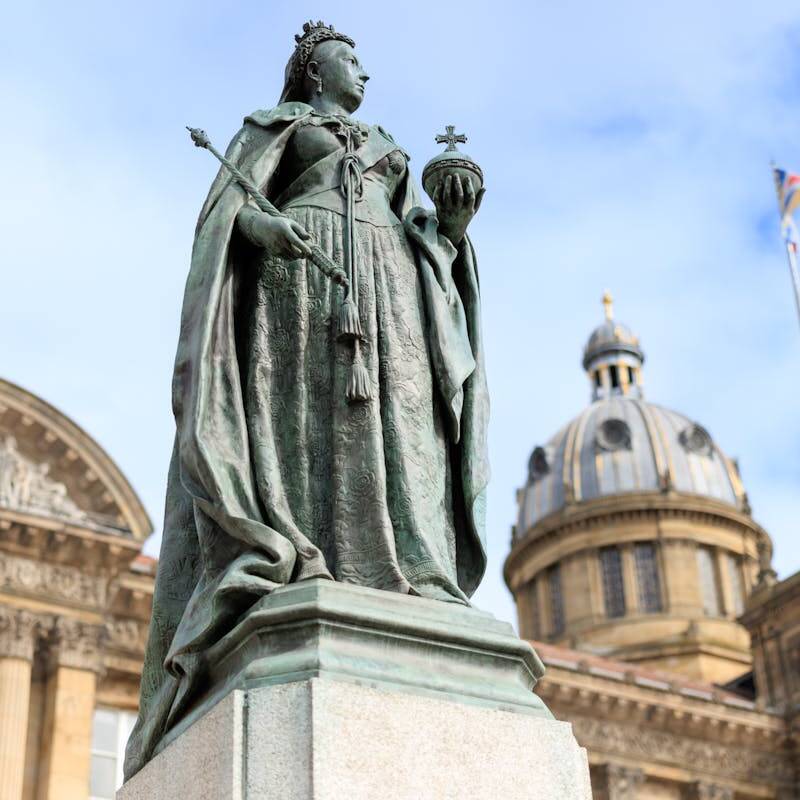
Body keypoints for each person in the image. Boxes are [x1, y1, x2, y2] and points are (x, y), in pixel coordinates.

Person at [125, 21, 489, 777]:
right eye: (350, 59)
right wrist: (264, 225)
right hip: (300, 281)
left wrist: (453, 223)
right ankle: (303, 555)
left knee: (405, 418)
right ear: (315, 70)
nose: (364, 72)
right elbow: (224, 217)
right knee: (303, 427)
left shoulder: (388, 144)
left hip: (390, 281)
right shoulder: (275, 127)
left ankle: (416, 569)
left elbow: (429, 236)